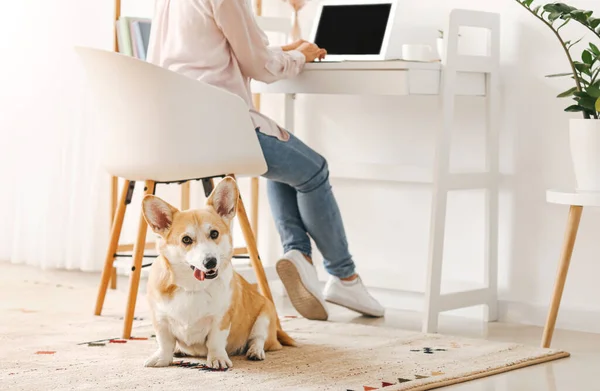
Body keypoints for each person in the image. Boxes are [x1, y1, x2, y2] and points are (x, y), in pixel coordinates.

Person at [146, 0, 384, 320]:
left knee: (289, 172)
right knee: (314, 170)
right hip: (220, 126)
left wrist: (286, 51)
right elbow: (260, 68)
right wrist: (301, 56)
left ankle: (300, 257)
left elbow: (217, 53)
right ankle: (344, 277)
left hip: (174, 131)